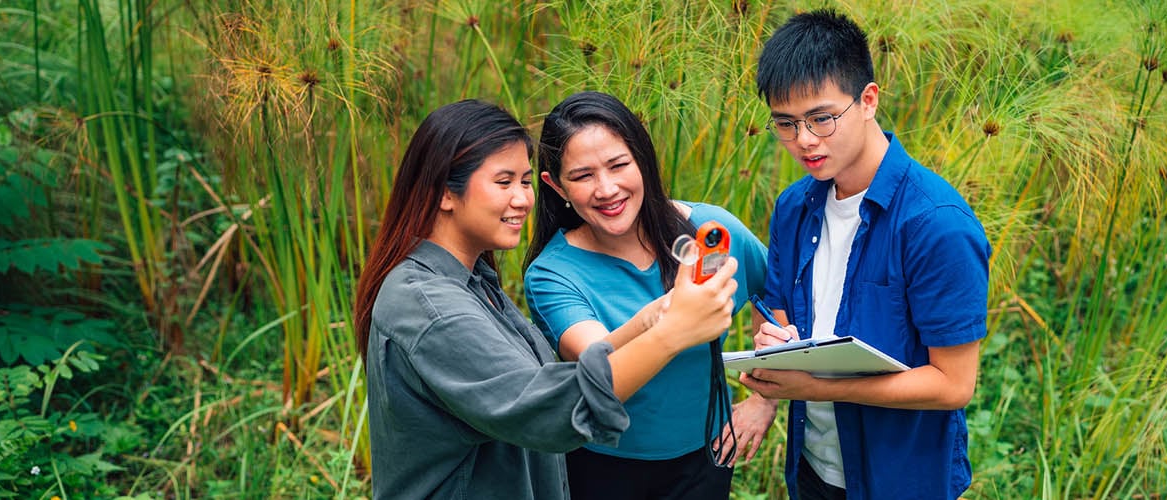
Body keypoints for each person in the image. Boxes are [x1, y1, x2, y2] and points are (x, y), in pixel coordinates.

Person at [352, 99, 741, 500]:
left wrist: (651, 321)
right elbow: (550, 407)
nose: (523, 199)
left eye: (524, 182)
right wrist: (673, 334)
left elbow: (541, 380)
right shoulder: (430, 308)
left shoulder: (472, 282)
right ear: (444, 194)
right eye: (504, 182)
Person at [738, 9, 991, 500]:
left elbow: (954, 385)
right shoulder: (794, 205)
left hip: (901, 479)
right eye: (786, 124)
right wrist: (773, 352)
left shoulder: (935, 224)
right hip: (813, 469)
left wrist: (817, 387)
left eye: (822, 118)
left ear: (868, 100)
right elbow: (776, 306)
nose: (804, 140)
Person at [523, 91, 779, 500]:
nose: (607, 189)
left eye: (619, 165)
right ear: (556, 186)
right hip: (602, 467)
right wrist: (667, 318)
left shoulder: (709, 232)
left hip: (706, 460)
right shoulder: (553, 274)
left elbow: (776, 290)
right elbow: (599, 370)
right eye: (583, 175)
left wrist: (765, 397)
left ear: (643, 158)